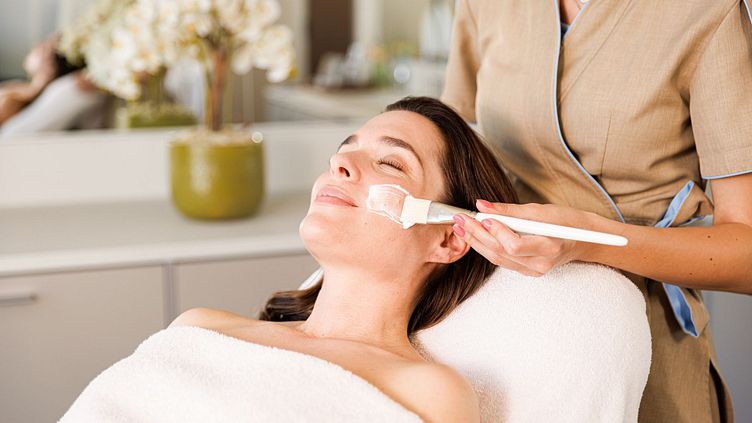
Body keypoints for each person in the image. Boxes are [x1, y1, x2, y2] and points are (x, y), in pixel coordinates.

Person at [61, 97, 518, 422]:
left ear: (448, 238)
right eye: (346, 149)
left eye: (391, 164)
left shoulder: (429, 392)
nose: (340, 162)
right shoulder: (201, 327)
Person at [441, 1, 752, 422]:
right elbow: (450, 147)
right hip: (505, 333)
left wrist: (589, 240)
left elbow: (746, 255)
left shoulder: (709, 11)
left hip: (645, 344)